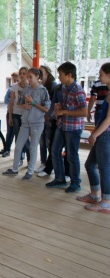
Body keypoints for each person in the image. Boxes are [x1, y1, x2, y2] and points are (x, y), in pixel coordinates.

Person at [2, 68, 51, 180]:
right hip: (25, 122)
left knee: (33, 147)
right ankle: (14, 169)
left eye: (30, 77)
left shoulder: (43, 91)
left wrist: (33, 103)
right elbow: (19, 103)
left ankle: (30, 171)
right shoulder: (26, 90)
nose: (28, 79)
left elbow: (47, 109)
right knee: (18, 146)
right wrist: (24, 106)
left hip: (37, 123)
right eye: (27, 76)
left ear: (37, 77)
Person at [46, 62, 87, 193]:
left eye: (61, 74)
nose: (59, 77)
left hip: (74, 128)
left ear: (70, 75)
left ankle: (76, 182)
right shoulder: (63, 88)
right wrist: (60, 108)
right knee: (54, 151)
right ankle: (60, 179)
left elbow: (84, 112)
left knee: (72, 156)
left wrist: (64, 112)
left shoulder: (78, 90)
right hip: (62, 125)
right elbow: (66, 107)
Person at [78, 62, 110, 213]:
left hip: (105, 135)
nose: (99, 77)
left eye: (101, 74)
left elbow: (109, 119)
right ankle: (95, 195)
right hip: (101, 133)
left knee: (104, 169)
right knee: (90, 164)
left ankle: (106, 201)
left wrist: (95, 134)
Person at [36, 65, 57, 173]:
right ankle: (43, 163)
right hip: (40, 118)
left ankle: (51, 164)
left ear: (47, 73)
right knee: (42, 141)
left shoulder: (53, 85)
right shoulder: (39, 85)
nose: (39, 74)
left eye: (41, 72)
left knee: (49, 142)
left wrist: (49, 115)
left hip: (49, 118)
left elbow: (54, 103)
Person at [9, 67, 31, 166]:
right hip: (16, 114)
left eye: (24, 73)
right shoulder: (15, 86)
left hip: (27, 115)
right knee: (18, 138)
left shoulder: (30, 86)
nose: (22, 75)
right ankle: (20, 158)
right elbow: (11, 102)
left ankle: (30, 159)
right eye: (20, 73)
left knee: (26, 138)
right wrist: (10, 116)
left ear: (27, 75)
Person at [0, 72, 19, 157]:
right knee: (9, 132)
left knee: (18, 134)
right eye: (13, 78)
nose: (14, 80)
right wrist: (14, 102)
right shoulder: (11, 88)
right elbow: (6, 100)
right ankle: (7, 149)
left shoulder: (25, 88)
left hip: (19, 113)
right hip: (10, 112)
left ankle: (20, 154)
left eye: (16, 78)